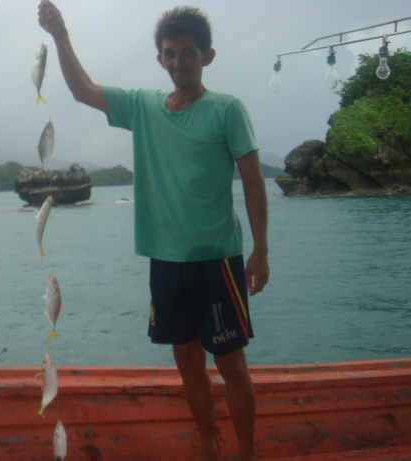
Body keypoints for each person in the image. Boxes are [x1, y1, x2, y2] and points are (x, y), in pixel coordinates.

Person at [38, 2, 269, 460]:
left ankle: (247, 453)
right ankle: (208, 443)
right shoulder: (143, 106)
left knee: (231, 363)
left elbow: (253, 179)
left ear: (208, 56)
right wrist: (61, 34)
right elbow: (83, 90)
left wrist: (260, 250)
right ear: (160, 59)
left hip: (216, 258)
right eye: (170, 52)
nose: (180, 61)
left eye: (189, 52)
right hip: (165, 261)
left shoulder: (227, 109)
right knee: (186, 360)